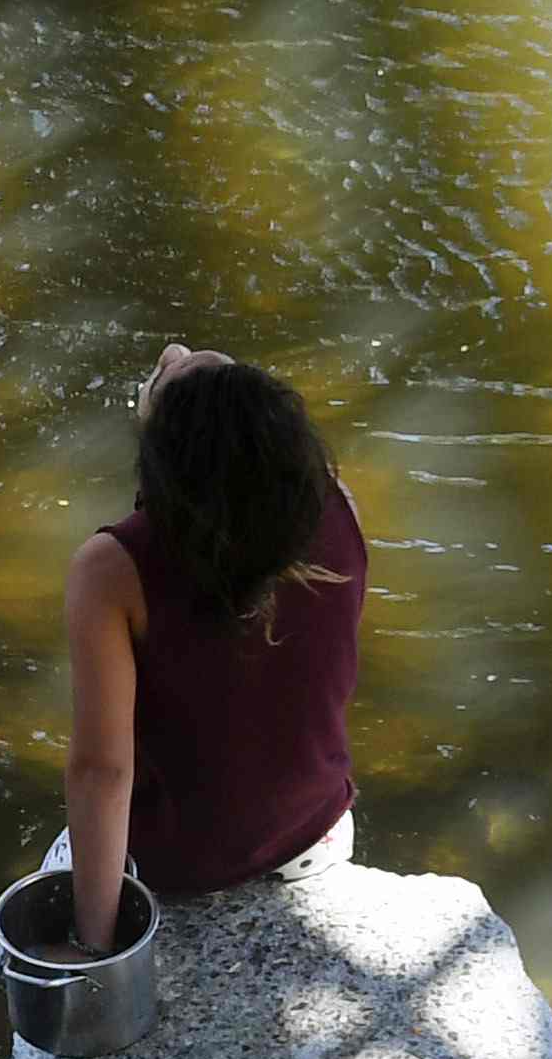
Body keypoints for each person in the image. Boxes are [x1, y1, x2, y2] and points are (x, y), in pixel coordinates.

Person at [62, 341, 366, 928]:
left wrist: (94, 945)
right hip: (319, 833)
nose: (176, 348)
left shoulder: (112, 568)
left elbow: (102, 771)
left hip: (177, 869)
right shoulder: (335, 504)